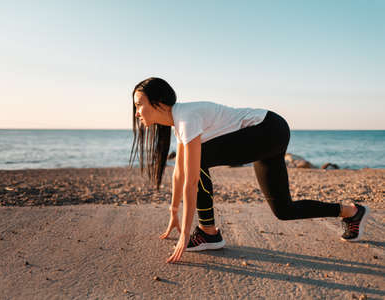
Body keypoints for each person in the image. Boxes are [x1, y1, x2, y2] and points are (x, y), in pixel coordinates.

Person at [129, 77, 369, 264]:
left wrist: (184, 235)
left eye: (139, 105)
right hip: (270, 132)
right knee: (284, 210)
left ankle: (208, 232)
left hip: (266, 130)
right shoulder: (181, 122)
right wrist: (173, 212)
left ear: (158, 103)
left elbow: (191, 181)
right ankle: (351, 212)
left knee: (199, 160)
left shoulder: (186, 118)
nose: (137, 112)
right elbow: (179, 173)